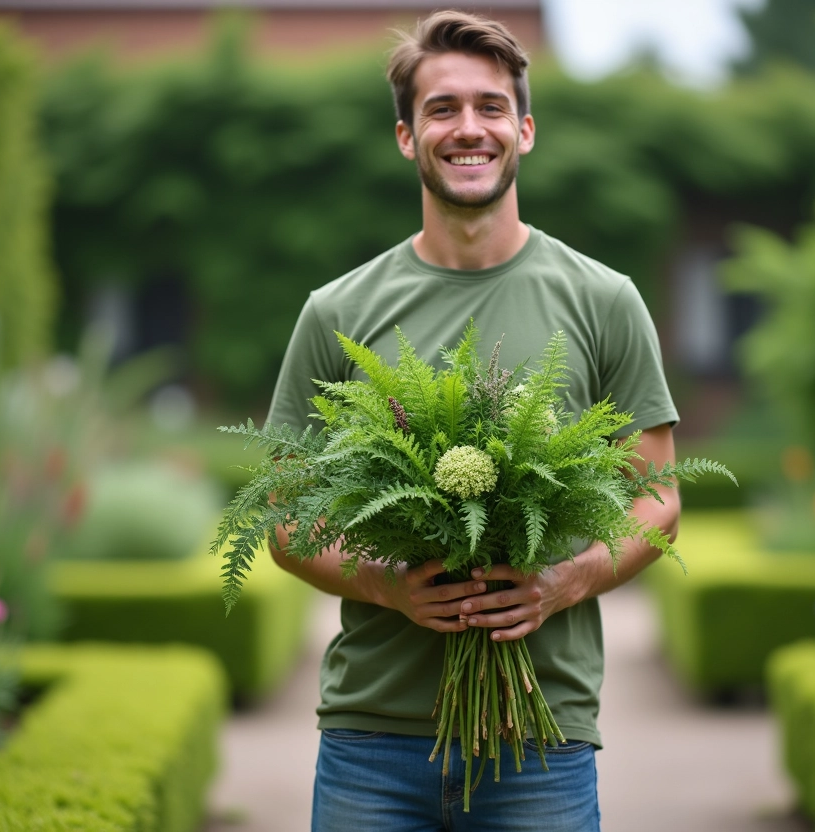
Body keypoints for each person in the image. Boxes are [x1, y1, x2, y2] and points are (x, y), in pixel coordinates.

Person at [265, 10, 680, 831]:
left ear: (524, 131)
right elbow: (283, 516)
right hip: (372, 745)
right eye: (442, 109)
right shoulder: (337, 311)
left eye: (490, 107)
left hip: (541, 738)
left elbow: (657, 498)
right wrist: (385, 584)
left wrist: (565, 582)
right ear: (405, 135)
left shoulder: (604, 301)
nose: (468, 128)